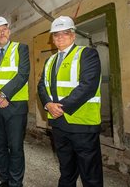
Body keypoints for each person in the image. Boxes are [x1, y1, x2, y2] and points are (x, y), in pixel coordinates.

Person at [37, 16, 103, 187]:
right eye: (56, 35)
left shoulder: (87, 54)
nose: (60, 38)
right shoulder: (50, 61)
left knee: (91, 175)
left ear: (73, 35)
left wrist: (61, 107)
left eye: (65, 34)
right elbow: (41, 86)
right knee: (66, 171)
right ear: (52, 39)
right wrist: (48, 105)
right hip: (59, 125)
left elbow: (87, 86)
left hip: (82, 124)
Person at [0, 17, 30, 187]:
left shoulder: (20, 49)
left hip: (15, 106)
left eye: (4, 29)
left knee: (16, 147)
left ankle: (16, 182)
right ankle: (3, 178)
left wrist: (3, 95)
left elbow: (22, 75)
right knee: (0, 146)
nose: (2, 33)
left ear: (9, 31)